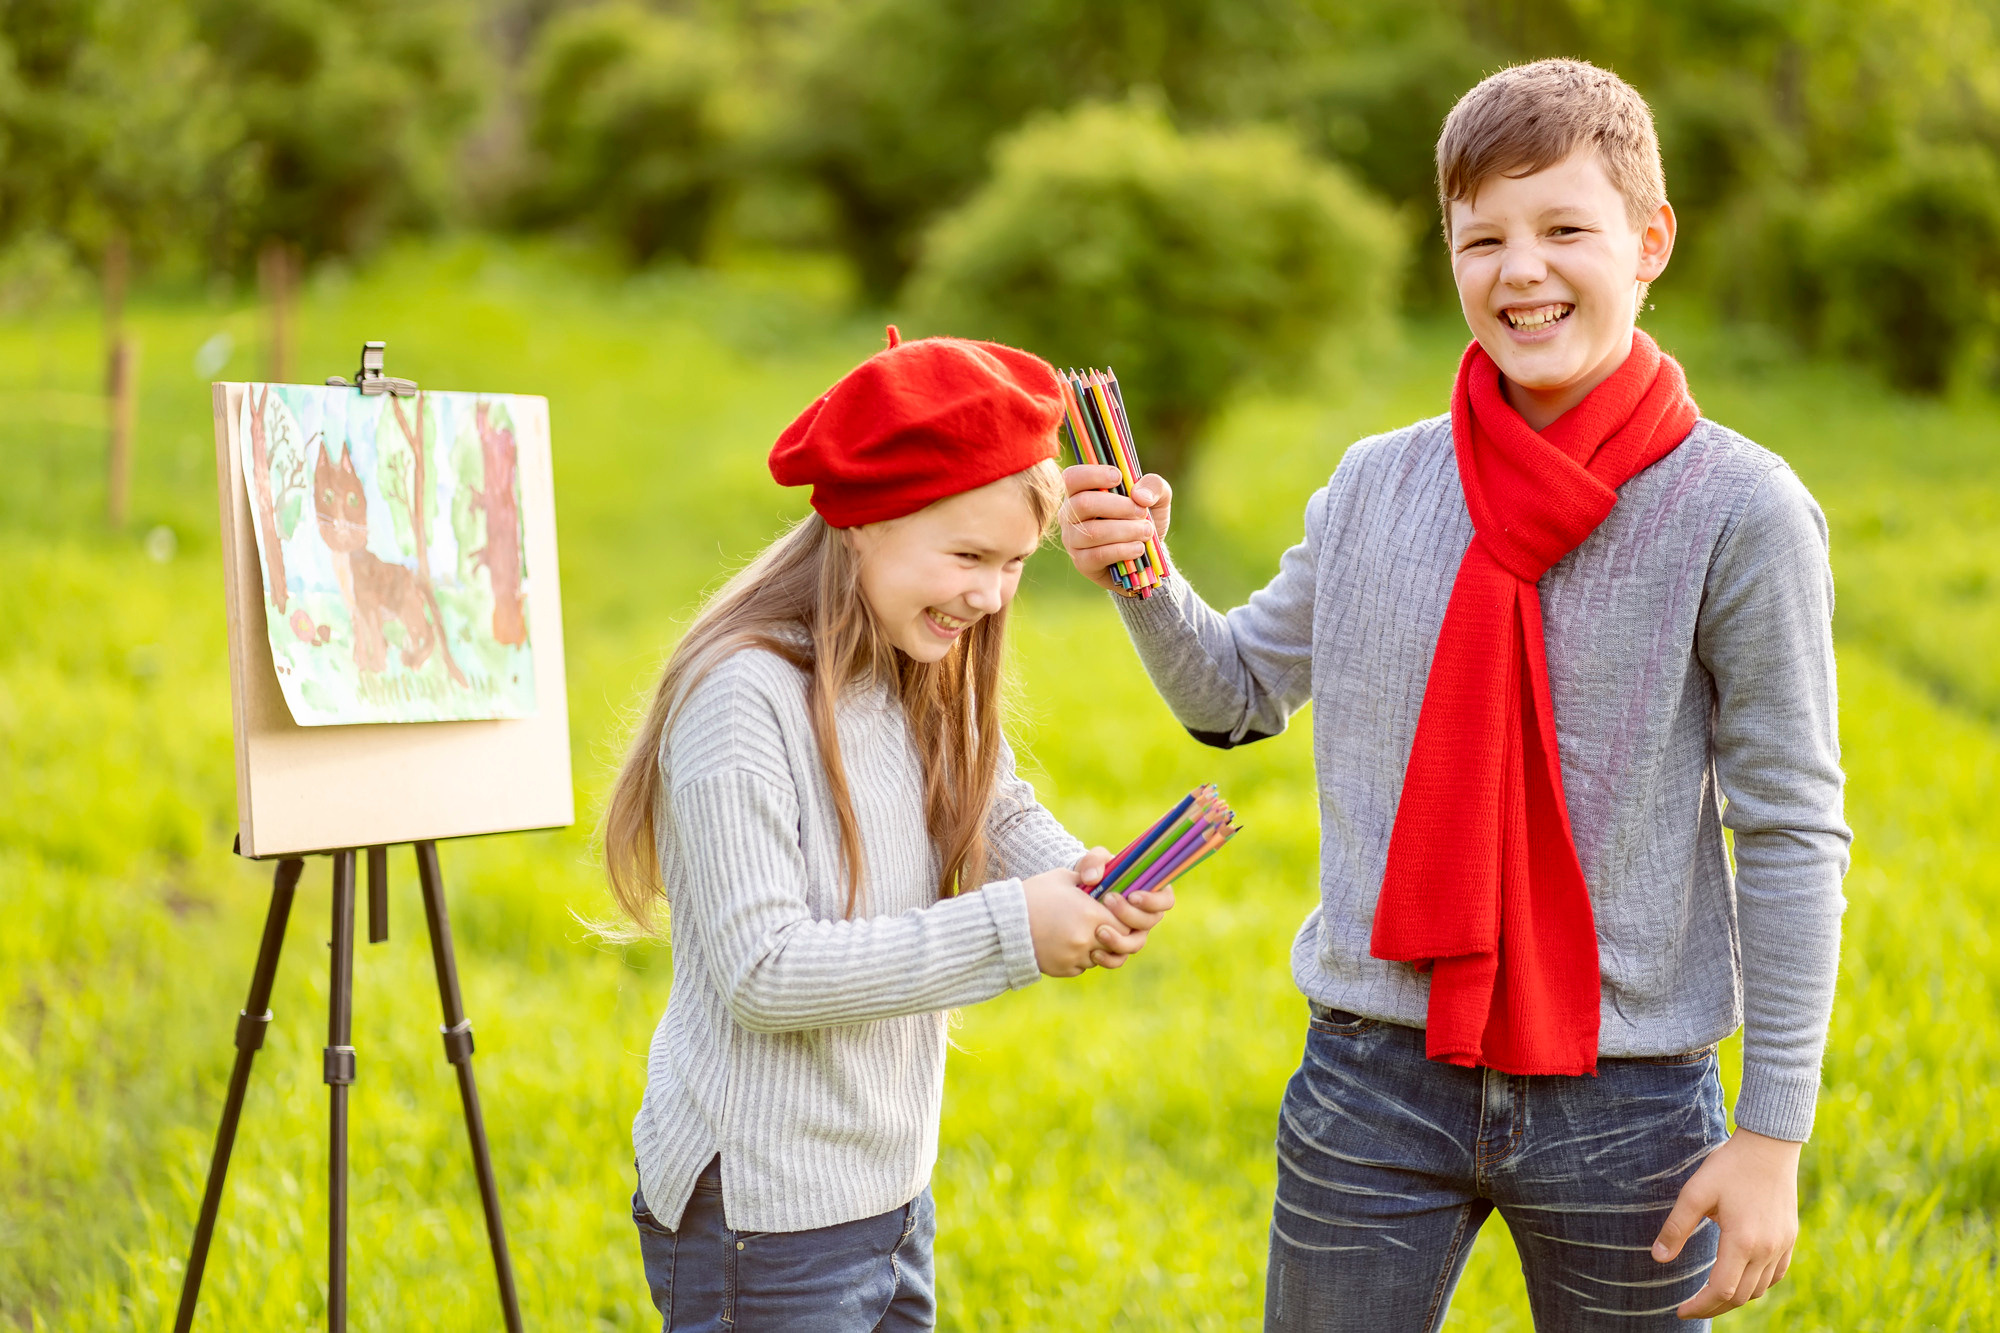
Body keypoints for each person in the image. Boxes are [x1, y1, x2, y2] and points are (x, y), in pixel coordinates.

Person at [1059, 59, 1848, 1331]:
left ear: (1648, 241)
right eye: (1482, 239)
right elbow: (1235, 695)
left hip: (1629, 1093)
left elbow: (1788, 825)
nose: (1519, 270)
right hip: (1370, 1074)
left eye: (1563, 230)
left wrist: (1772, 1133)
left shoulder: (1738, 510)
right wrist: (1138, 573)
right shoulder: (1375, 484)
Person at [600, 327, 1175, 1331]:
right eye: (967, 556)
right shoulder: (742, 698)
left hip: (889, 1188)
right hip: (763, 1216)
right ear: (864, 523)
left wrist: (1079, 877)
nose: (989, 594)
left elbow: (986, 803)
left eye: (1013, 563)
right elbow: (762, 971)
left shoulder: (916, 658)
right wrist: (1015, 928)